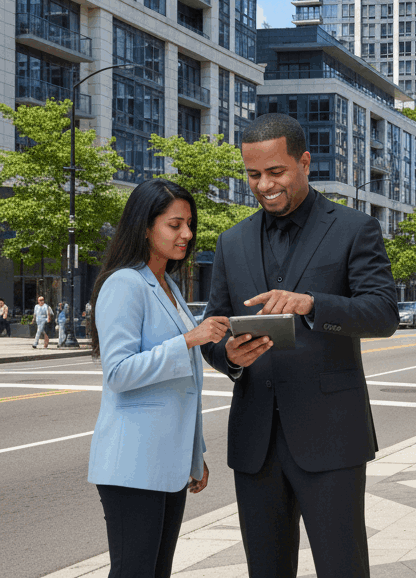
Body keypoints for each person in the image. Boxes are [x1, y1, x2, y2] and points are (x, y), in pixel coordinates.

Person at [201, 113, 399, 578]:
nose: (264, 185)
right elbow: (214, 328)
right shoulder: (232, 241)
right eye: (253, 174)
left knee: (342, 568)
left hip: (331, 437)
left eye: (276, 172)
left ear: (305, 162)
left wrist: (313, 304)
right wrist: (226, 356)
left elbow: (384, 314)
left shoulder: (354, 228)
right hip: (255, 443)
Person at [87, 178, 230, 578]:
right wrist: (188, 339)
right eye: (175, 224)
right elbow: (117, 373)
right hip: (131, 465)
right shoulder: (124, 283)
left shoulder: (167, 284)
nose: (187, 234)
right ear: (145, 226)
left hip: (166, 464)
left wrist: (194, 455)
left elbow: (185, 390)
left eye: (189, 224)